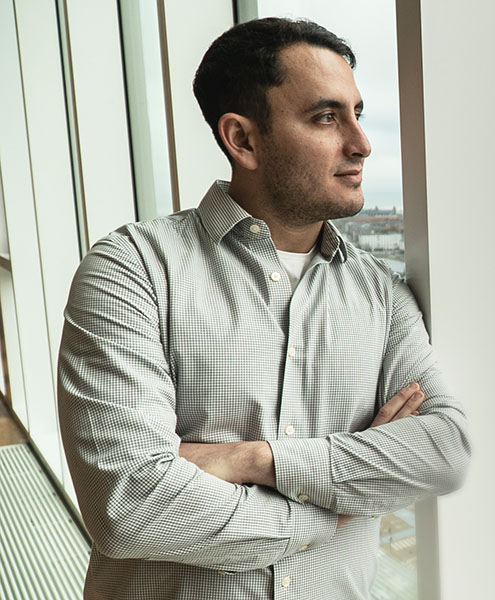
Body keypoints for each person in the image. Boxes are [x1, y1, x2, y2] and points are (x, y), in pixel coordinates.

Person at [56, 17, 470, 600]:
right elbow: (130, 507)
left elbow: (444, 450)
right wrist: (329, 510)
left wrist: (253, 459)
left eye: (357, 113)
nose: (362, 143)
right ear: (243, 139)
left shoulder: (382, 293)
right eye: (327, 117)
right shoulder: (132, 270)